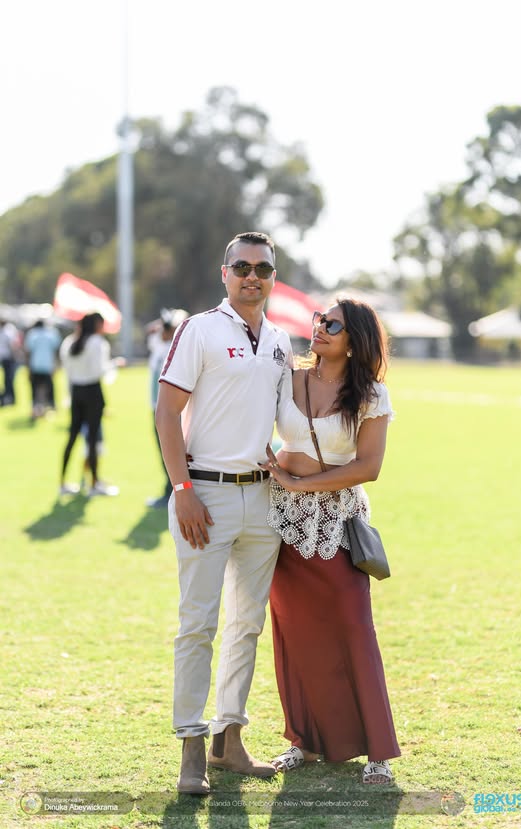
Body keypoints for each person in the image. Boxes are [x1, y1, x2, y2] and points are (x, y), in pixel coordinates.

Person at [155, 231, 293, 795]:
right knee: (198, 624)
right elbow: (166, 412)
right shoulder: (200, 328)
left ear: (273, 277)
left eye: (262, 268)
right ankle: (191, 745)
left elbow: (293, 422)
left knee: (247, 626)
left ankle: (228, 738)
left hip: (263, 497)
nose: (252, 276)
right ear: (225, 273)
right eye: (242, 267)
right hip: (204, 494)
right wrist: (181, 487)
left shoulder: (282, 339)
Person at [260, 299, 401, 785]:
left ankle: (378, 752)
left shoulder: (370, 394)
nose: (320, 327)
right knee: (293, 634)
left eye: (333, 324)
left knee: (354, 631)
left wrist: (303, 484)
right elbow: (261, 430)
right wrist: (277, 470)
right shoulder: (289, 378)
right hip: (281, 522)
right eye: (320, 319)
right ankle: (304, 741)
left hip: (338, 525)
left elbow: (369, 467)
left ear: (355, 337)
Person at [59, 312, 119, 496]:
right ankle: (93, 483)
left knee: (72, 436)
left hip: (76, 392)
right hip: (92, 391)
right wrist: (115, 364)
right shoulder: (97, 343)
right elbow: (101, 371)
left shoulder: (70, 342)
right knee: (93, 439)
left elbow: (67, 372)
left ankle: (62, 482)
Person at [145, 309, 188, 508]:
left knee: (173, 452)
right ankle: (169, 489)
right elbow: (150, 330)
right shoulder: (160, 345)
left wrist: (176, 321)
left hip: (173, 410)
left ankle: (172, 491)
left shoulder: (178, 347)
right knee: (163, 452)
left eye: (167, 327)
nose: (163, 330)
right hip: (156, 408)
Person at [24, 319, 61, 418]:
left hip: (35, 365)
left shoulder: (32, 334)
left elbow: (28, 352)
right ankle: (49, 407)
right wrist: (56, 365)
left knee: (35, 388)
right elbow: (55, 351)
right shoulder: (51, 333)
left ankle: (36, 408)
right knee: (49, 388)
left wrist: (28, 367)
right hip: (47, 365)